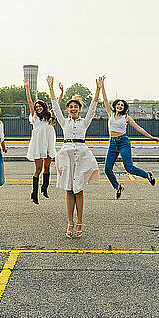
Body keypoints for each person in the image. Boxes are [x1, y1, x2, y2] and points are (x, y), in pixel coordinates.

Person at [47, 75, 102, 238]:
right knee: (69, 190)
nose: (72, 109)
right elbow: (55, 106)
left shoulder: (84, 122)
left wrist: (98, 89)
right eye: (70, 107)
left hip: (82, 155)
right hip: (67, 156)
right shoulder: (64, 122)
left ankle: (80, 222)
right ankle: (70, 222)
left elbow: (93, 107)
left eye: (75, 107)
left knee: (79, 190)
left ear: (79, 109)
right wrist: (51, 87)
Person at [100, 76, 159, 198]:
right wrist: (102, 86)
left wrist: (151, 137)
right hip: (112, 143)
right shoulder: (110, 113)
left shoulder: (126, 117)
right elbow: (105, 99)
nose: (120, 106)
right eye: (118, 104)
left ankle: (147, 175)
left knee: (129, 167)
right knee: (107, 169)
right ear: (115, 105)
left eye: (122, 105)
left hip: (123, 143)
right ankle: (118, 187)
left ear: (124, 107)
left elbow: (139, 128)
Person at [24, 77, 61, 204]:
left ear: (44, 107)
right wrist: (27, 87)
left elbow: (57, 105)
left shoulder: (48, 116)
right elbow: (29, 100)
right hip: (38, 145)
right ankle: (34, 193)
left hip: (48, 144)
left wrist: (60, 92)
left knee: (47, 168)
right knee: (38, 169)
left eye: (40, 106)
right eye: (37, 106)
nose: (38, 108)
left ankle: (44, 188)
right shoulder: (34, 116)